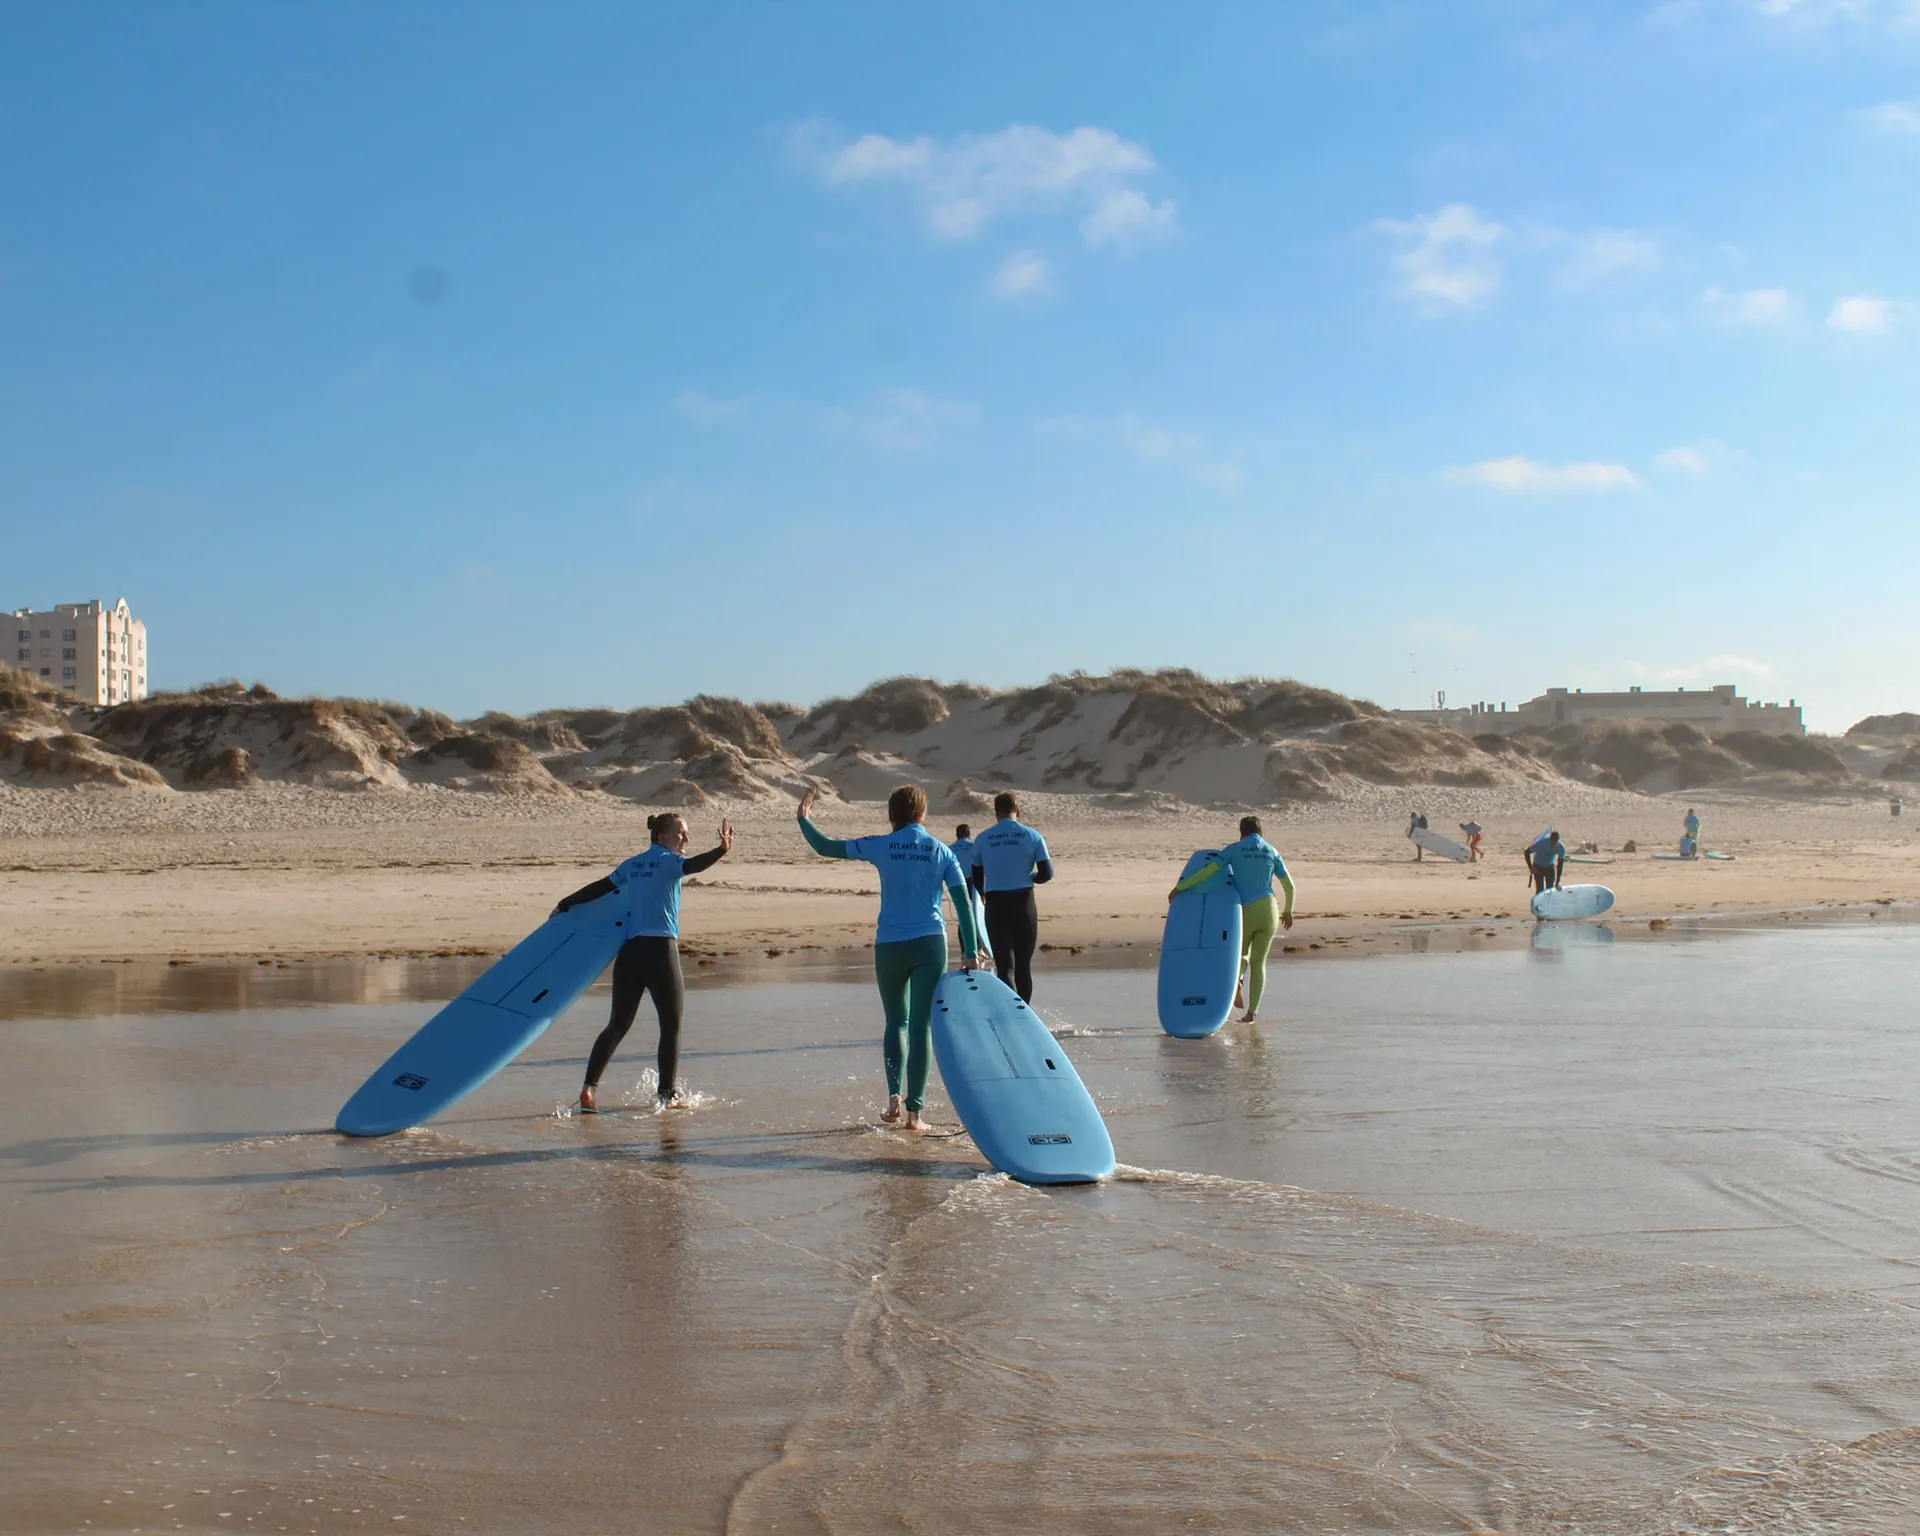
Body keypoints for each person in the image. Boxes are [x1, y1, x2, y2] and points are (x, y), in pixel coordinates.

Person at [798, 785, 981, 1131]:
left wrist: (804, 820)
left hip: (890, 946)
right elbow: (964, 906)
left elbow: (824, 847)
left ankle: (893, 1099)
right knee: (920, 1026)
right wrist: (970, 952)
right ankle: (916, 1114)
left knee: (896, 1022)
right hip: (929, 945)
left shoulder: (880, 845)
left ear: (891, 814)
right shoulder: (942, 851)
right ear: (923, 814)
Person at [553, 813, 733, 1112]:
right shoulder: (670, 863)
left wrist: (565, 903)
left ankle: (588, 1089)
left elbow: (599, 887)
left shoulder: (632, 864)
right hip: (661, 951)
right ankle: (666, 1095)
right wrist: (721, 851)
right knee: (671, 1026)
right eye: (681, 834)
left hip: (630, 953)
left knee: (617, 1024)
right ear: (662, 835)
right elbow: (693, 866)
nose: (686, 839)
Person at [1168, 816, 1297, 1024]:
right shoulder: (1272, 851)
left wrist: (1181, 887)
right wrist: (1288, 911)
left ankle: (1237, 981)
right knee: (1259, 962)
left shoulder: (1235, 849)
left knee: (1240, 955)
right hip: (1270, 910)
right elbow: (1289, 886)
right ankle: (1251, 1014)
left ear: (1241, 832)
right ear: (1261, 832)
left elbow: (1209, 871)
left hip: (1247, 910)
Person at [967, 791, 1054, 1003]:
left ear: (996, 813)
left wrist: (983, 894)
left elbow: (976, 877)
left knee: (1005, 966)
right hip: (1024, 903)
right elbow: (1047, 873)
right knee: (1024, 966)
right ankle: (1024, 1012)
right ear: (1019, 811)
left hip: (996, 905)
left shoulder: (982, 838)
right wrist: (1031, 877)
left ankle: (1008, 1012)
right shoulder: (1032, 836)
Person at [1524, 828, 1565, 896]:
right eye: (1552, 842)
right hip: (1538, 866)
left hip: (1550, 867)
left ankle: (1548, 905)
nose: (1554, 844)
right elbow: (1526, 852)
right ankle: (1539, 906)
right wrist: (1531, 867)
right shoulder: (1541, 843)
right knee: (1540, 890)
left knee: (1550, 890)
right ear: (1550, 840)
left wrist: (1557, 881)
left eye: (1555, 842)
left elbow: (1560, 865)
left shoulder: (1561, 848)